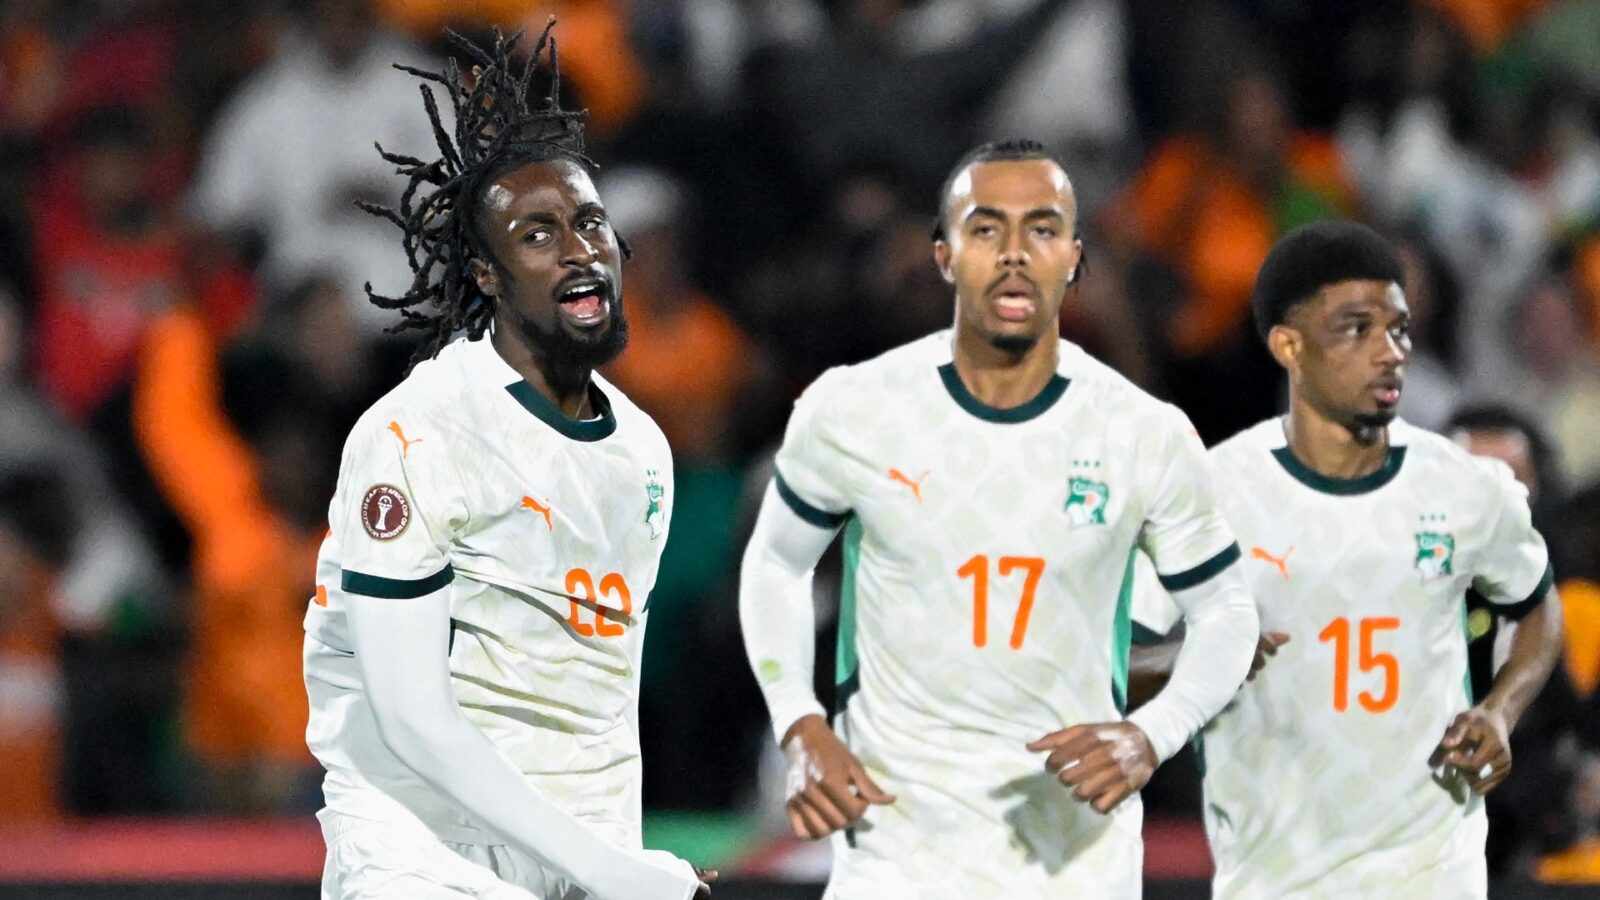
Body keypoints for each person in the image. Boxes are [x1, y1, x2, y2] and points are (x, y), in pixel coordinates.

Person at [738, 139, 1260, 898]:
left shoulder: (1143, 432)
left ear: (1075, 259)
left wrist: (1154, 734)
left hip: (1072, 869)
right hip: (899, 865)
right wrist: (799, 722)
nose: (1015, 253)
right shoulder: (855, 409)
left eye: (1042, 229)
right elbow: (776, 564)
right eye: (986, 229)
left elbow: (1227, 610)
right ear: (944, 256)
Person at [301, 25, 710, 899]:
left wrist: (618, 862)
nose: (580, 248)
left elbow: (603, 702)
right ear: (486, 274)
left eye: (590, 222)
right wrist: (607, 867)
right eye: (538, 234)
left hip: (566, 859)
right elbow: (412, 719)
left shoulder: (641, 450)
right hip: (419, 861)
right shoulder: (415, 435)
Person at [1133, 221, 1563, 897]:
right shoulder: (1214, 492)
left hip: (1432, 877)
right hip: (1277, 879)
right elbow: (1110, 659)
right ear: (1289, 345)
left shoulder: (1463, 485)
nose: (1389, 352)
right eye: (1356, 330)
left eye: (1398, 329)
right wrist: (1192, 663)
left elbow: (1537, 604)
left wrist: (1499, 712)